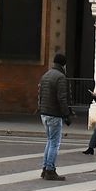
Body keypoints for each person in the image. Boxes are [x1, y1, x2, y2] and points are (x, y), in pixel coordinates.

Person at [37, 52, 71, 180]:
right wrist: (66, 114)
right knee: (54, 143)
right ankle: (50, 170)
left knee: (50, 141)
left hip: (44, 113)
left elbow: (40, 94)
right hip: (54, 114)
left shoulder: (46, 75)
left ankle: (45, 168)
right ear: (63, 64)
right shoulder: (60, 77)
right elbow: (62, 98)